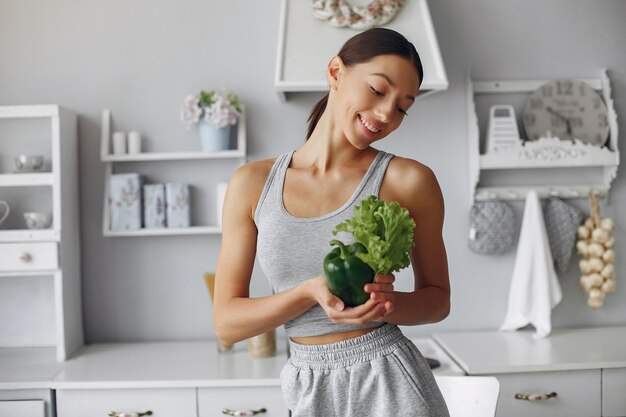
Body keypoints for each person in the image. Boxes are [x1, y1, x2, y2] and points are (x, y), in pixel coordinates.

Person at [214, 27, 450, 416]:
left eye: (403, 106)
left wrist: (387, 304)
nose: (387, 113)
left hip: (390, 379)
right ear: (336, 72)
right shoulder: (251, 185)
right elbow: (226, 323)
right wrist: (308, 292)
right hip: (307, 384)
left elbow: (438, 299)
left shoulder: (409, 181)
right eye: (378, 90)